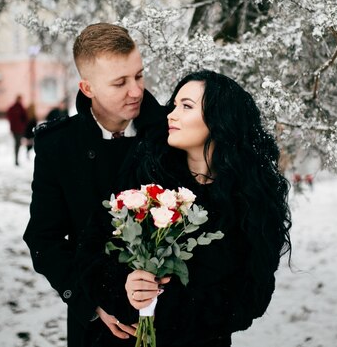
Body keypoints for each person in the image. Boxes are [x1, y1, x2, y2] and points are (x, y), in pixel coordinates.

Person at [78, 70, 292, 347]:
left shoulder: (250, 200)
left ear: (219, 120)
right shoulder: (145, 175)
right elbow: (93, 247)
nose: (171, 114)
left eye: (186, 106)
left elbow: (252, 295)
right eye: (175, 104)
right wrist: (125, 289)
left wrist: (169, 314)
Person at [23, 23, 166, 347]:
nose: (136, 91)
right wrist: (92, 304)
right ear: (87, 88)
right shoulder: (58, 146)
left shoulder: (170, 134)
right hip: (97, 330)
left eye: (139, 76)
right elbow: (44, 239)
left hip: (172, 322)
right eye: (120, 82)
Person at [6, 95, 28, 166]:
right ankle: (16, 159)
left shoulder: (20, 108)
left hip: (19, 129)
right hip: (16, 129)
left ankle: (16, 159)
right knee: (17, 144)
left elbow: (25, 118)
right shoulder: (15, 108)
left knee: (18, 144)